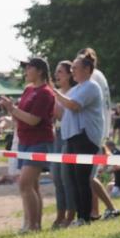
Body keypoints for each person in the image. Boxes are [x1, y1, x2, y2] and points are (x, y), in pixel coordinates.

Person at [0, 57, 55, 233]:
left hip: (39, 141)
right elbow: (21, 116)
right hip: (25, 141)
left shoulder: (45, 92)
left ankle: (32, 226)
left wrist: (12, 109)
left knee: (24, 183)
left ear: (39, 71)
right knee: (33, 185)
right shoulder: (29, 90)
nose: (25, 71)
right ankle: (33, 225)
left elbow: (33, 120)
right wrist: (10, 111)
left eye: (29, 68)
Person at [54, 55, 106, 227]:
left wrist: (53, 92)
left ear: (86, 69)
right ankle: (81, 217)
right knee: (73, 179)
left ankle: (84, 217)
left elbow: (74, 106)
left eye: (75, 68)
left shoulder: (91, 86)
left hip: (85, 138)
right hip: (72, 138)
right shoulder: (76, 89)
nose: (72, 71)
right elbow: (63, 111)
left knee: (81, 179)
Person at [77, 48, 120, 221]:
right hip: (100, 129)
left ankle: (106, 209)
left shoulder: (92, 79)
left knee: (88, 175)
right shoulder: (99, 76)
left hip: (92, 131)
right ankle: (95, 210)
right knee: (90, 175)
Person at [50, 61, 77, 229]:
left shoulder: (74, 93)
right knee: (56, 176)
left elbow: (63, 116)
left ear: (69, 74)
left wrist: (52, 101)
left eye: (60, 72)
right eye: (56, 72)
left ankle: (70, 214)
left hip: (68, 135)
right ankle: (60, 213)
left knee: (66, 177)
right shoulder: (57, 93)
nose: (57, 75)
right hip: (57, 135)